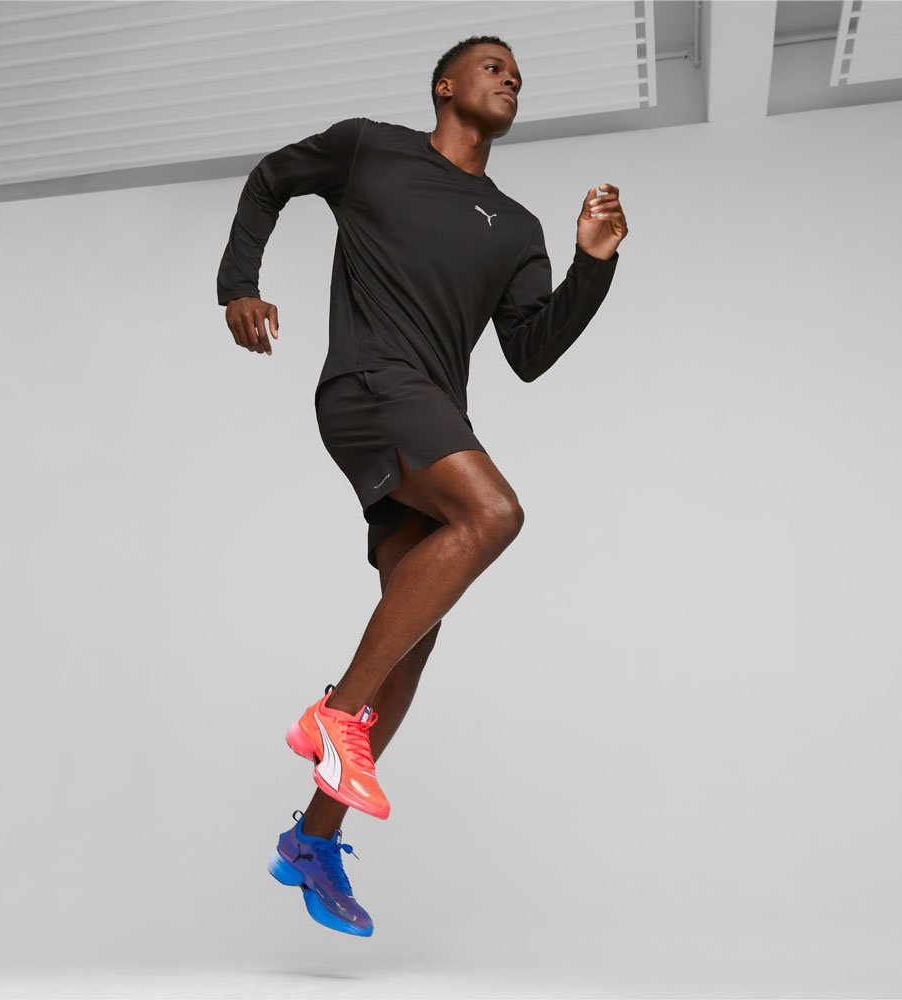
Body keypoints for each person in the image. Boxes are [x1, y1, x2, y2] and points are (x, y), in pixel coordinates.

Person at [217, 34, 627, 937]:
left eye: (518, 75)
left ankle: (312, 840)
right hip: (370, 387)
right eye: (493, 67)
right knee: (495, 512)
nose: (510, 79)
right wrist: (237, 283)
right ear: (445, 85)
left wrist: (592, 265)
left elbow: (530, 352)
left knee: (414, 631)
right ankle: (334, 716)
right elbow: (270, 178)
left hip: (426, 416)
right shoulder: (371, 148)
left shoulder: (516, 228)